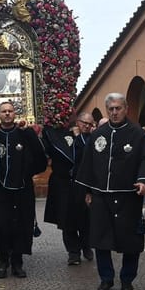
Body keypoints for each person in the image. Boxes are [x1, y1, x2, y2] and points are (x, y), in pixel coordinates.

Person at [75, 93, 145, 290]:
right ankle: (106, 279)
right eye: (111, 109)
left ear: (126, 109)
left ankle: (127, 279)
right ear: (107, 110)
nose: (114, 112)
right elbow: (87, 164)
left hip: (128, 196)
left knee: (131, 241)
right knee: (101, 240)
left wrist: (144, 181)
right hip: (101, 196)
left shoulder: (138, 134)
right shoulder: (97, 135)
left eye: (118, 108)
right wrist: (87, 191)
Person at [0, 101, 48, 279]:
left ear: (15, 113)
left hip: (22, 189)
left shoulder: (24, 134)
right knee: (1, 226)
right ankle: (3, 260)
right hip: (0, 190)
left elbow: (40, 158)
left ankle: (17, 262)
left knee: (21, 225)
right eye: (4, 111)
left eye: (10, 111)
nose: (7, 114)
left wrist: (29, 133)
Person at [42, 112, 95, 266]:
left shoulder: (90, 139)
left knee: (86, 218)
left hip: (83, 184)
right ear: (77, 122)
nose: (86, 126)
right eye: (84, 122)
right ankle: (73, 252)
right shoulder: (63, 135)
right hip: (64, 184)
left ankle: (86, 246)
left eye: (89, 124)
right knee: (67, 219)